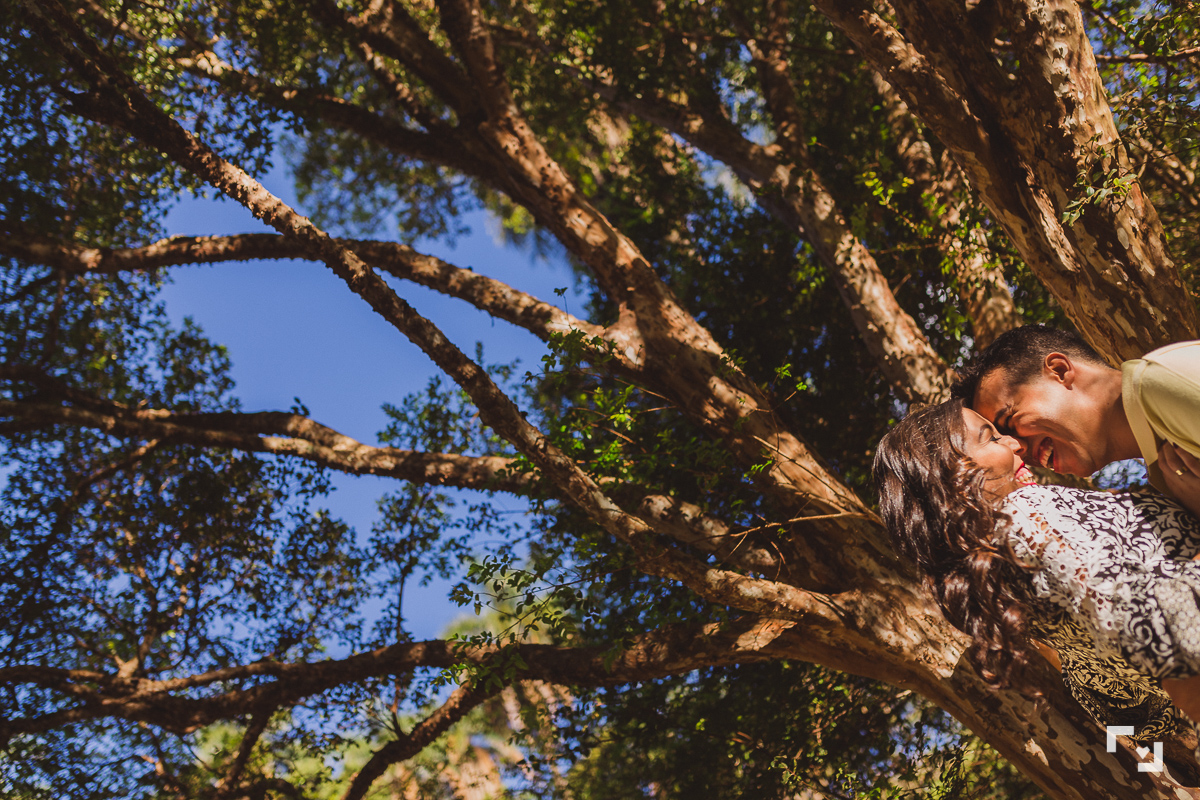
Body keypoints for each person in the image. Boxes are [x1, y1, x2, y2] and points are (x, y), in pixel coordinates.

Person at [873, 398, 1200, 747]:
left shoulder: (1010, 590)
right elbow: (1168, 633)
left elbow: (1136, 719)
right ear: (950, 478)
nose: (1016, 444)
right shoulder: (1023, 515)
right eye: (991, 438)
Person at [952, 325, 1200, 517]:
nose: (1017, 447)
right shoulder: (1164, 468)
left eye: (1009, 421)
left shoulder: (1163, 384)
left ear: (1060, 371)